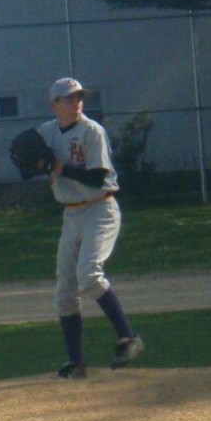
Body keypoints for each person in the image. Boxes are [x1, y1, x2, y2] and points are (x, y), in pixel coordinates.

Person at [38, 77, 144, 378]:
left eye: (79, 97)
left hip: (101, 208)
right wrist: (31, 163)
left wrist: (58, 168)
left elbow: (97, 177)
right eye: (69, 98)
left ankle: (129, 338)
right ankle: (76, 362)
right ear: (54, 104)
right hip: (71, 215)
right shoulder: (46, 132)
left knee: (89, 274)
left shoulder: (91, 131)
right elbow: (28, 163)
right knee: (65, 291)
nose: (76, 102)